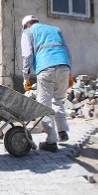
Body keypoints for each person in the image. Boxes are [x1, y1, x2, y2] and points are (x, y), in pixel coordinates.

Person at [21, 15, 74, 152]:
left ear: (26, 25)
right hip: (64, 66)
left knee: (44, 105)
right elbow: (67, 51)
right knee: (59, 100)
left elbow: (27, 55)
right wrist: (70, 72)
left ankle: (51, 141)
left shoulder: (27, 32)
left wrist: (26, 77)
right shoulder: (55, 29)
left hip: (45, 68)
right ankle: (62, 131)